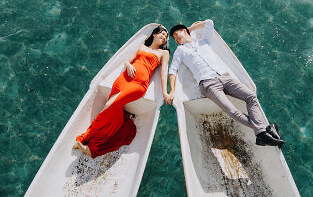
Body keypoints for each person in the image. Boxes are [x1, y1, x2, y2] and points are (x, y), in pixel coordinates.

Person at [166, 20, 284, 147]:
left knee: (251, 96)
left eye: (176, 35)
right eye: (174, 38)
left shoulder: (203, 41)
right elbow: (172, 70)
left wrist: (190, 29)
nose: (176, 39)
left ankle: (262, 134)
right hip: (208, 84)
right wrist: (171, 90)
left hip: (224, 77)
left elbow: (209, 23)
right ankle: (265, 130)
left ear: (184, 31)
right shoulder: (180, 51)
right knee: (232, 111)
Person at [74, 25, 171, 158]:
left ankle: (92, 144)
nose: (164, 37)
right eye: (162, 34)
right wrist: (129, 65)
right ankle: (86, 140)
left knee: (109, 105)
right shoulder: (142, 47)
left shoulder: (164, 53)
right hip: (123, 80)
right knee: (111, 110)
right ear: (154, 34)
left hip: (138, 85)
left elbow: (164, 72)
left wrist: (165, 92)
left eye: (166, 37)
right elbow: (127, 61)